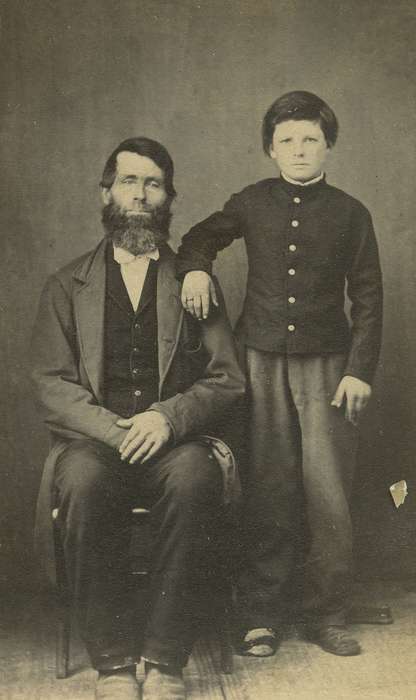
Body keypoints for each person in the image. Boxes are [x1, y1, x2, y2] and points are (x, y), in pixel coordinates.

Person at [31, 137, 245, 700]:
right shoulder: (66, 284)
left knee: (197, 478)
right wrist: (112, 429)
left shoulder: (194, 283)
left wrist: (168, 419)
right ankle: (113, 662)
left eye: (153, 184)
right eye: (129, 182)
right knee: (79, 482)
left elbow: (228, 378)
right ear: (107, 193)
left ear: (168, 198)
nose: (140, 195)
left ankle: (166, 658)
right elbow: (50, 382)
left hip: (176, 441)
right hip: (96, 442)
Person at [175, 91, 383, 658]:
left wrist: (359, 370)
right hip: (259, 363)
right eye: (286, 139)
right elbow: (198, 238)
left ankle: (328, 613)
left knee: (327, 493)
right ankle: (261, 613)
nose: (298, 149)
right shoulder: (250, 201)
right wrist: (195, 270)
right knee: (268, 486)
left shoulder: (350, 213)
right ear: (270, 148)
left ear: (328, 147)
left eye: (310, 138)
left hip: (329, 368)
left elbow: (368, 297)